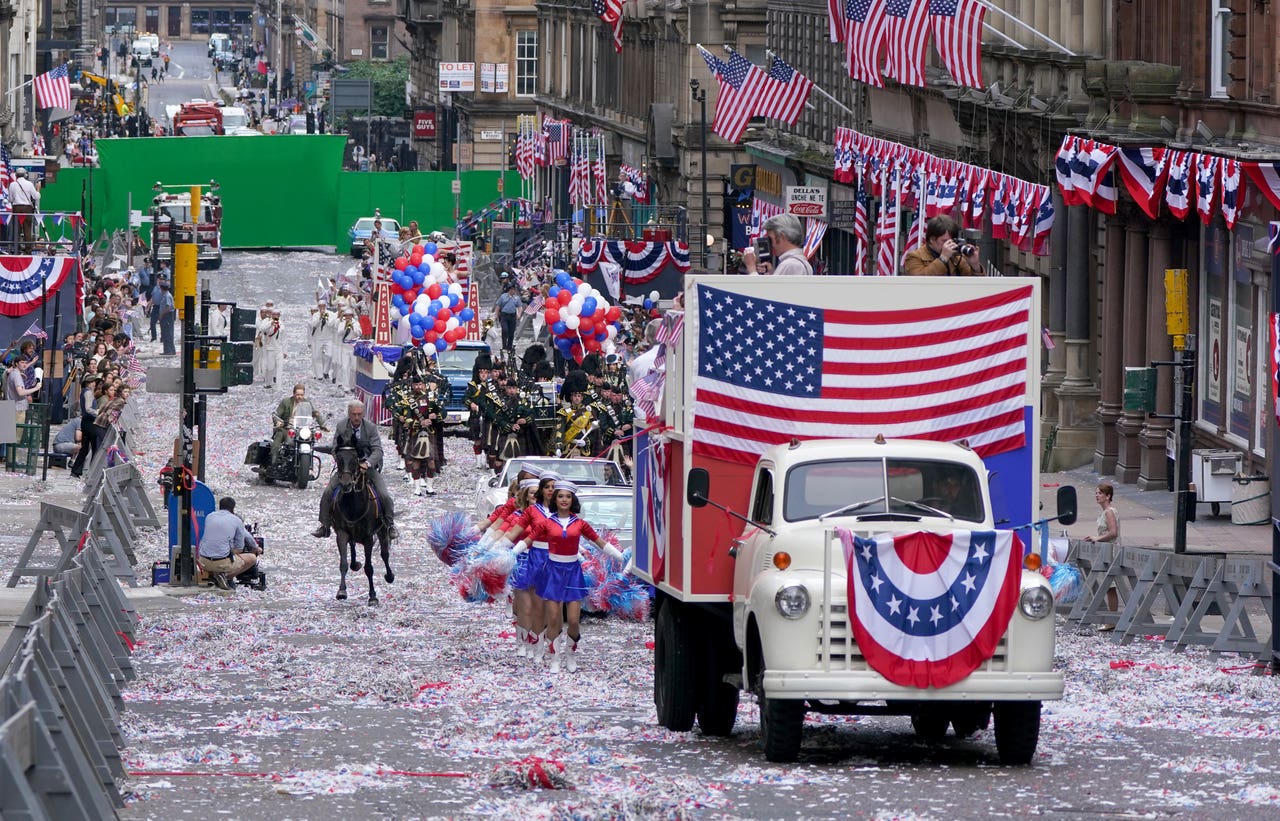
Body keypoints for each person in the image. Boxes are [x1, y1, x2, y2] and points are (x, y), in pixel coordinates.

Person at [513, 480, 622, 673]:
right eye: (561, 496)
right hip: (553, 572)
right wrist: (510, 554)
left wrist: (621, 557)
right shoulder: (547, 522)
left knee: (573, 620)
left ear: (573, 500)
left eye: (568, 497)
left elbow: (599, 542)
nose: (564, 500)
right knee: (554, 619)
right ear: (555, 499)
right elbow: (529, 540)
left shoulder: (580, 523)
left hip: (573, 573)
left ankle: (570, 654)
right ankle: (554, 657)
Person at [313, 400, 397, 540]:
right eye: (353, 414)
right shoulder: (341, 426)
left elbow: (378, 450)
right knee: (328, 492)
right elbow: (335, 448)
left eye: (359, 414)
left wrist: (368, 463)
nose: (357, 418)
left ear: (363, 414)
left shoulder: (370, 427)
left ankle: (389, 525)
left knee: (384, 495)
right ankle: (325, 525)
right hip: (347, 468)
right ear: (349, 414)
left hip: (366, 467)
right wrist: (341, 461)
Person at [198, 497, 262, 590]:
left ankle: (213, 575)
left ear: (220, 506)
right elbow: (240, 547)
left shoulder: (210, 516)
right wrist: (256, 548)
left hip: (203, 562)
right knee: (252, 558)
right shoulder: (236, 520)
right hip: (221, 564)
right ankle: (227, 577)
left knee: (221, 553)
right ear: (233, 508)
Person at [1083, 481, 1121, 629]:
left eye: (1100, 493)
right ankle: (1111, 620)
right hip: (1105, 550)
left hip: (1110, 551)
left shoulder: (1109, 512)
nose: (1097, 496)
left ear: (1108, 496)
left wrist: (1097, 538)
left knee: (1110, 584)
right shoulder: (1105, 512)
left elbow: (1113, 532)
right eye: (1096, 493)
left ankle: (1112, 620)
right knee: (1109, 586)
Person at [901, 215, 984, 277]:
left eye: (952, 241)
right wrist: (943, 259)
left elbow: (975, 286)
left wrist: (975, 266)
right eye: (944, 241)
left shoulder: (956, 259)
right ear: (932, 239)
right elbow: (920, 282)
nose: (949, 244)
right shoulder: (914, 257)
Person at [270, 383, 327, 463]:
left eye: (301, 395)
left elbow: (314, 413)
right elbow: (276, 414)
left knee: (311, 438)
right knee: (279, 435)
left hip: (301, 429)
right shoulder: (286, 402)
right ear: (293, 394)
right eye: (297, 395)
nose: (299, 397)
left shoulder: (307, 403)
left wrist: (322, 425)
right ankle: (273, 460)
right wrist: (278, 422)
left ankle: (306, 460)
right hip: (286, 428)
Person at [741, 214, 813, 276]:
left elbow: (764, 292)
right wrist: (772, 273)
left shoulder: (791, 265)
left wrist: (751, 268)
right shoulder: (795, 262)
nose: (771, 245)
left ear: (782, 236)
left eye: (771, 239)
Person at [7, 168, 40, 250]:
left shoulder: (12, 184)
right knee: (28, 229)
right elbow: (36, 197)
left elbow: (10, 199)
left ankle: (16, 249)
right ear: (25, 175)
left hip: (16, 208)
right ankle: (28, 250)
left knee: (16, 229)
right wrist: (38, 189)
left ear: (16, 175)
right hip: (27, 208)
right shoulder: (29, 184)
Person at [494, 282, 523, 353]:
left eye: (514, 289)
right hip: (504, 316)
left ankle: (509, 346)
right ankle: (504, 345)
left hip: (512, 316)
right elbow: (498, 306)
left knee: (511, 332)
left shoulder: (516, 298)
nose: (513, 291)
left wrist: (519, 314)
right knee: (505, 330)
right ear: (509, 290)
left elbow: (520, 307)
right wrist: (496, 315)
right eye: (512, 289)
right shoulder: (503, 296)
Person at [156, 280, 177, 355]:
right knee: (164, 333)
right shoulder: (165, 295)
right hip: (165, 316)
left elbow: (168, 308)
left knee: (168, 334)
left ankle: (170, 351)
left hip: (167, 316)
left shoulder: (167, 296)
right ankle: (167, 350)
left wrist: (161, 315)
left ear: (162, 288)